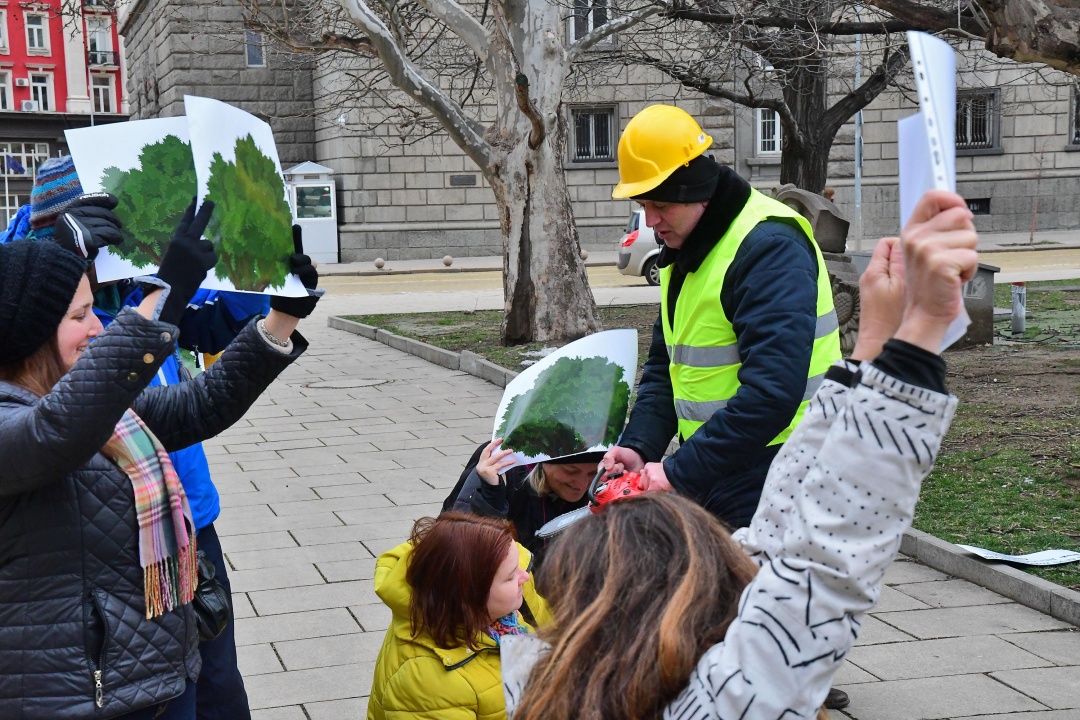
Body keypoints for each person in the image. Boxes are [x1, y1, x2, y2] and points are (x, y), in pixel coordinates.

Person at [500, 190, 977, 720]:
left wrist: (872, 351)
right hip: (728, 458)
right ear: (692, 603)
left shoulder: (531, 682)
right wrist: (915, 336)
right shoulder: (728, 702)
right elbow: (817, 555)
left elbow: (803, 558)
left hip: (736, 455)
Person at [0, 198, 322, 718]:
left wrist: (281, 318)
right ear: (31, 333)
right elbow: (55, 433)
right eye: (81, 315)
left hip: (153, 670)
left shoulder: (97, 404)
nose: (99, 327)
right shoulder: (29, 420)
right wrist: (159, 297)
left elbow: (197, 405)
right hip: (74, 693)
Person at [601, 104, 843, 531]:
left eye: (659, 204)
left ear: (697, 190)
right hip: (719, 463)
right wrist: (641, 446)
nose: (651, 221)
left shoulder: (769, 247)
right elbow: (667, 366)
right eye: (643, 203)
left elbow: (772, 393)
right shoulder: (687, 244)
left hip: (783, 468)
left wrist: (678, 471)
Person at [368, 512, 551, 720]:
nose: (524, 576)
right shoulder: (429, 683)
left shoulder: (499, 617)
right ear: (470, 595)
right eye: (510, 577)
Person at [445, 441, 604, 566]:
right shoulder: (500, 467)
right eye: (571, 471)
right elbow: (459, 548)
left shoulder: (608, 479)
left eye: (593, 473)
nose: (582, 484)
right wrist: (491, 496)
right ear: (542, 461)